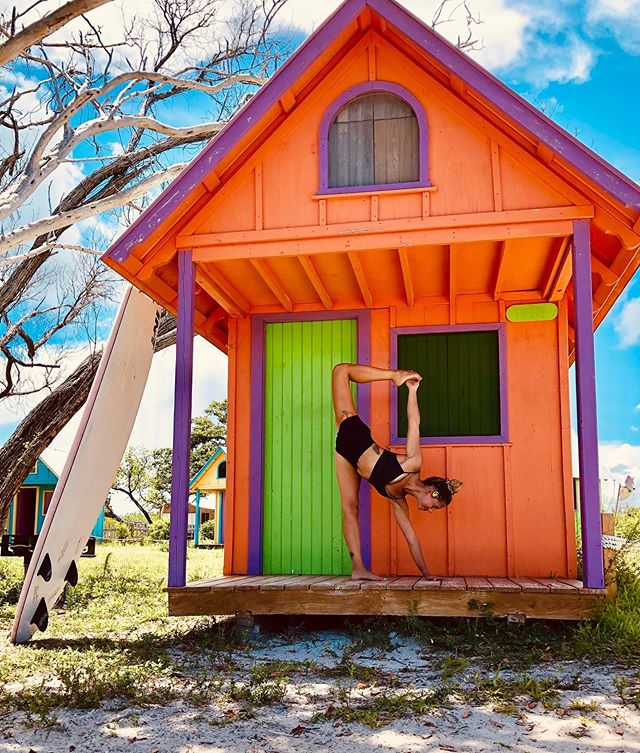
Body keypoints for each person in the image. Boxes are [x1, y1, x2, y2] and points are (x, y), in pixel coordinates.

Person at [332, 363, 462, 581]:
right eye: (434, 507)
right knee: (341, 371)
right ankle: (395, 375)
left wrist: (426, 574)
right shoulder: (412, 464)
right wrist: (412, 391)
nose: (430, 511)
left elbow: (411, 538)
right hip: (353, 432)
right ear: (433, 492)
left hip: (345, 455)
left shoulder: (397, 499)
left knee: (350, 508)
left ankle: (358, 569)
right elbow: (414, 422)